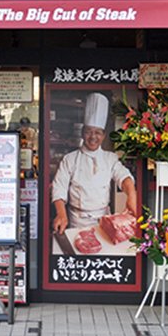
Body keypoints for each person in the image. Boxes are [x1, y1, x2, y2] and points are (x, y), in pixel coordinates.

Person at [52, 92, 137, 234]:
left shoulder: (110, 158)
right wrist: (61, 214)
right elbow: (59, 188)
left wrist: (131, 195)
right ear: (82, 133)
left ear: (103, 136)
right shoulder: (70, 159)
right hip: (77, 220)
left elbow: (124, 177)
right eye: (89, 132)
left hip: (104, 219)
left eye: (97, 133)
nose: (93, 137)